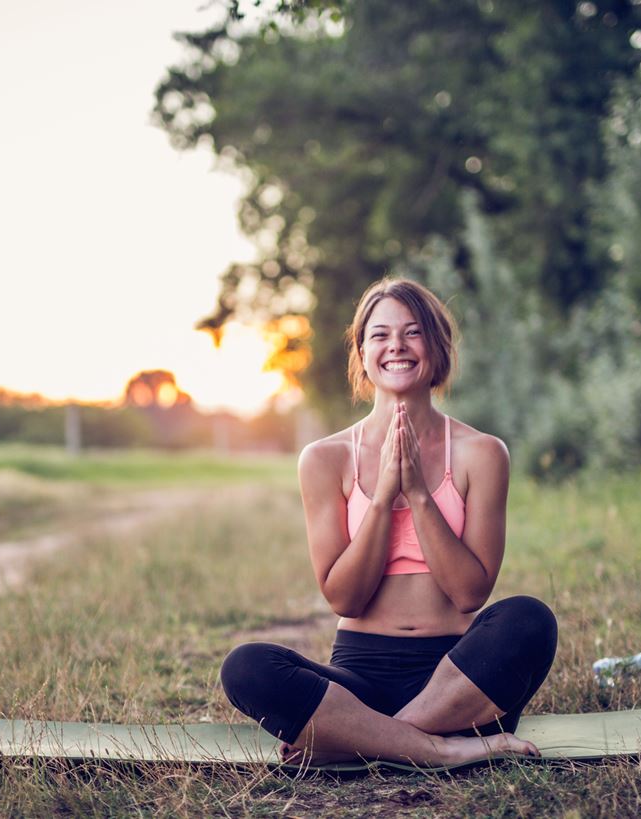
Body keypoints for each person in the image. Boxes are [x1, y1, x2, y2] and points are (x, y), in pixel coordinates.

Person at [220, 278, 558, 768]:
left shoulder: (482, 453)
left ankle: (357, 740)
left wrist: (418, 492)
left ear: (437, 347)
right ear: (362, 352)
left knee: (530, 619)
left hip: (458, 678)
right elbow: (344, 598)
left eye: (412, 332)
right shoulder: (325, 459)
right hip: (359, 676)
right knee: (245, 668)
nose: (396, 345)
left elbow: (469, 594)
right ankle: (437, 748)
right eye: (379, 335)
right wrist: (381, 498)